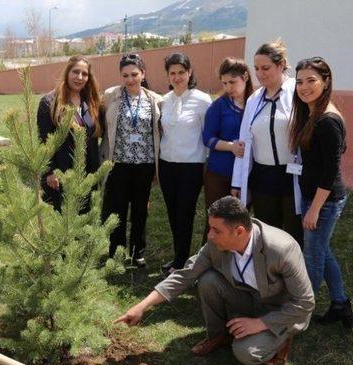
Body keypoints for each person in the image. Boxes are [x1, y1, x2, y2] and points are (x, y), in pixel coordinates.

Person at [116, 196, 314, 365]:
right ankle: (219, 336)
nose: (210, 235)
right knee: (208, 280)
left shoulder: (281, 249)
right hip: (250, 298)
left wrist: (261, 323)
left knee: (245, 353)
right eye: (210, 228)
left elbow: (305, 302)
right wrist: (142, 306)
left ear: (239, 231)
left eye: (216, 230)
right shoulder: (215, 244)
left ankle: (283, 337)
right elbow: (185, 275)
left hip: (279, 310)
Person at [290, 57, 352, 328]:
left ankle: (301, 314)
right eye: (300, 81)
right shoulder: (312, 111)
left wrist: (314, 209)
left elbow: (330, 172)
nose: (304, 87)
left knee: (313, 258)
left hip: (324, 201)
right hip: (314, 197)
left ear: (325, 81)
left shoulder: (328, 120)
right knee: (322, 251)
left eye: (311, 80)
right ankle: (340, 304)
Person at [232, 39, 303, 245]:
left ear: (281, 65)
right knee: (266, 234)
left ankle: (292, 275)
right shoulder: (254, 99)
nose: (260, 73)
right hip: (262, 177)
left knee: (293, 235)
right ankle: (269, 276)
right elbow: (244, 143)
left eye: (266, 68)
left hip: (291, 177)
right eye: (256, 69)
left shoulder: (297, 93)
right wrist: (237, 181)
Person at [100, 53, 162, 266]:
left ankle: (138, 252)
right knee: (117, 209)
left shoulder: (155, 100)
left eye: (134, 74)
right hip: (118, 164)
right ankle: (116, 252)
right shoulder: (111, 96)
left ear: (143, 74)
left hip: (144, 165)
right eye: (125, 75)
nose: (130, 79)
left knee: (139, 210)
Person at [158, 53, 212, 277]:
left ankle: (181, 262)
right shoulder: (164, 100)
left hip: (191, 166)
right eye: (173, 73)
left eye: (182, 72)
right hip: (167, 165)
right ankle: (178, 255)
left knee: (185, 212)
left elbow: (208, 135)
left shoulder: (202, 100)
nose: (177, 77)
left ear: (189, 73)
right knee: (172, 212)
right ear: (168, 76)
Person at [37, 55, 103, 211]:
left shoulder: (90, 100)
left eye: (84, 74)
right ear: (67, 72)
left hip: (87, 174)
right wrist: (50, 172)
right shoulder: (50, 102)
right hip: (61, 174)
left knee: (86, 221)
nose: (80, 77)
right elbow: (44, 140)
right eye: (75, 72)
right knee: (63, 222)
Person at [202, 58, 253, 238]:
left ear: (245, 77)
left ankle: (236, 261)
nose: (228, 87)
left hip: (247, 174)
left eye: (232, 82)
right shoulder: (219, 106)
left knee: (239, 222)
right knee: (216, 222)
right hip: (219, 173)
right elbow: (207, 138)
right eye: (224, 83)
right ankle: (212, 260)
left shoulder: (255, 104)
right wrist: (231, 147)